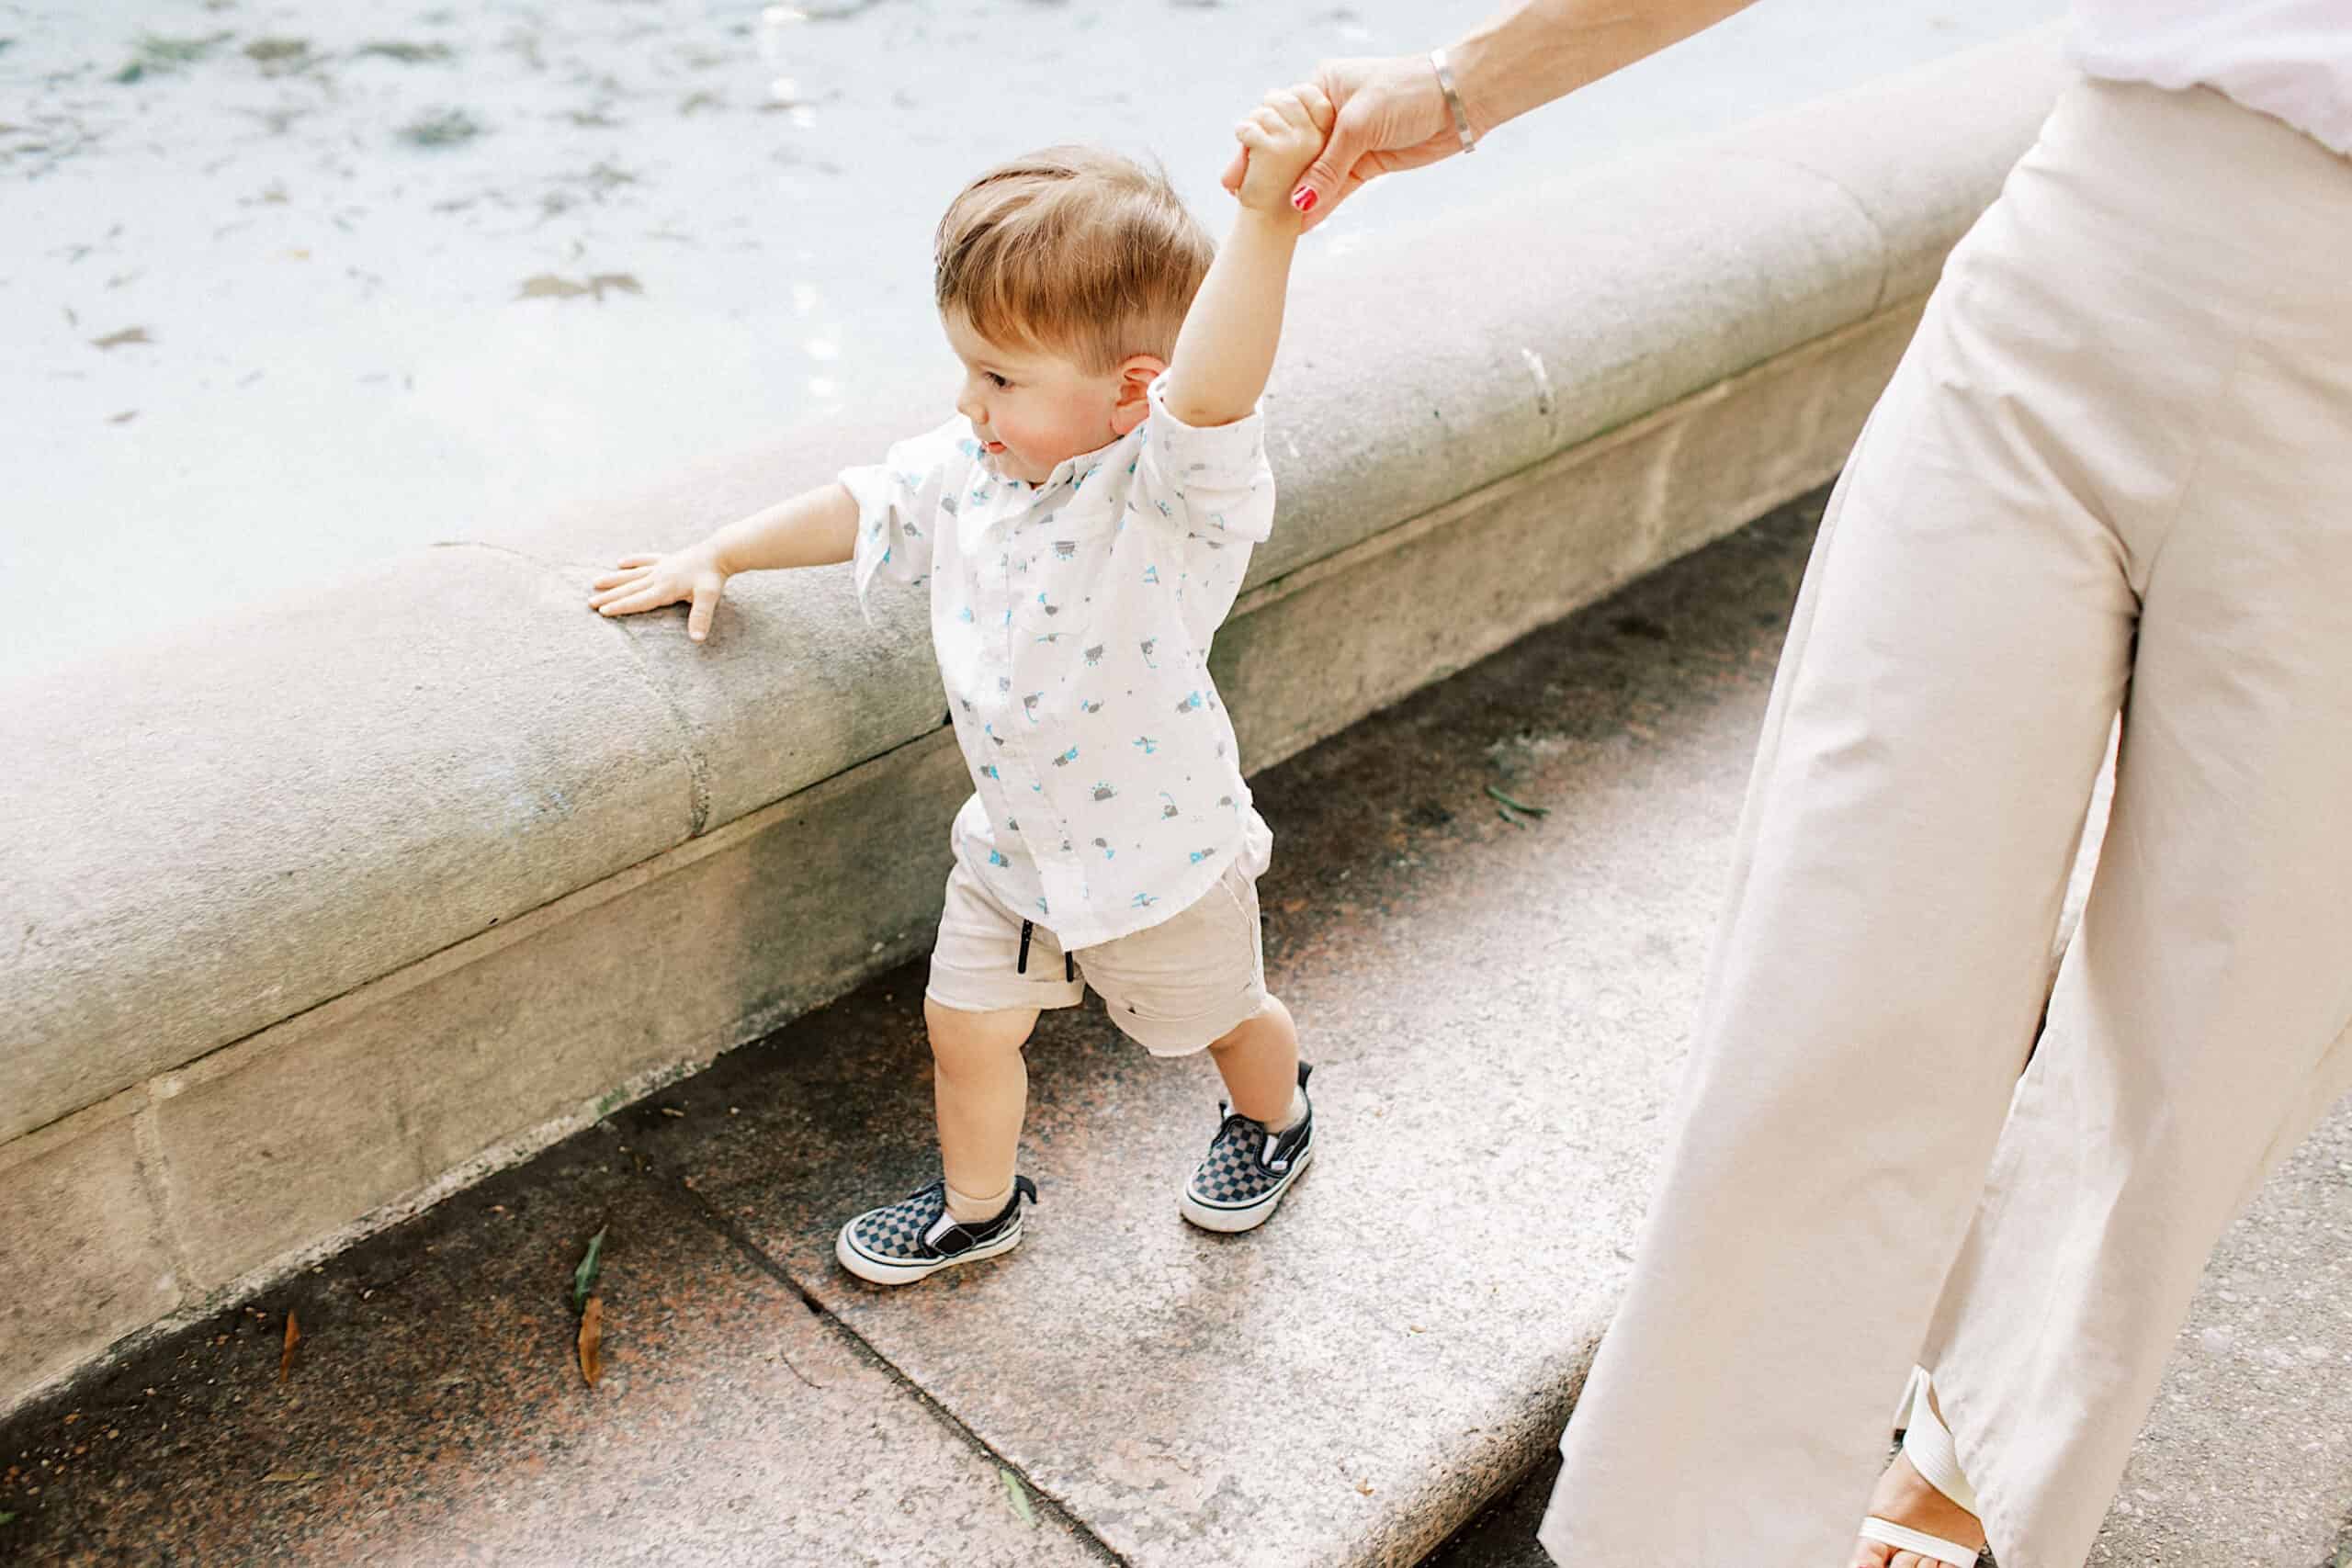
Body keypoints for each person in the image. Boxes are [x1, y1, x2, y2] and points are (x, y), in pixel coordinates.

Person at [1250, 2, 2352, 1564]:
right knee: (1843, 945)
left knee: (2211, 1031)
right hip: (2093, 249)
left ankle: (1977, 1460)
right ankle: (1676, 1537)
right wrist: (1458, 88)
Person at [588, 90, 1340, 1284]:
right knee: (965, 1025)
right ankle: (979, 1207)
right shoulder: (973, 467)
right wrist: (716, 551)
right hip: (1014, 849)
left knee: (1218, 1017)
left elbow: (1222, 381)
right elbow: (862, 499)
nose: (964, 404)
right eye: (965, 369)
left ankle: (1276, 1114)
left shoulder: (1171, 489)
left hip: (1158, 858)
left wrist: (1269, 220)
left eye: (996, 377)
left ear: (1133, 390)